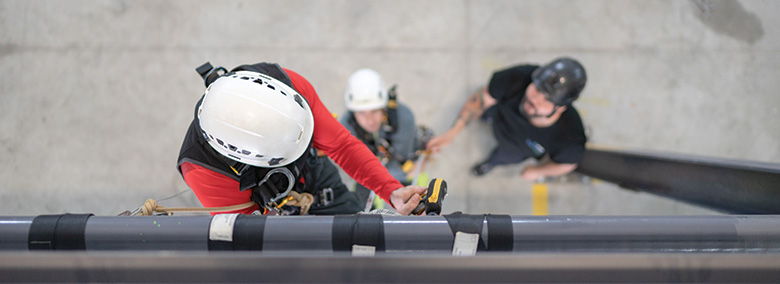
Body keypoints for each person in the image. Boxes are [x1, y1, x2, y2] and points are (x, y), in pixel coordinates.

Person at [176, 62, 426, 216]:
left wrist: (392, 190)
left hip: (315, 174)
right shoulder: (204, 171)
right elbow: (251, 239)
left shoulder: (286, 84)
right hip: (265, 204)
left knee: (359, 241)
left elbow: (341, 145)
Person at [427, 57, 587, 180]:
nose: (535, 99)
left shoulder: (570, 138)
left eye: (547, 99)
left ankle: (489, 164)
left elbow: (567, 164)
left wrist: (537, 171)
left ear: (561, 108)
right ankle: (488, 120)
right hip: (499, 116)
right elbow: (482, 98)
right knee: (485, 113)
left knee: (499, 157)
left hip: (513, 149)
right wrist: (454, 131)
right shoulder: (520, 77)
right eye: (537, 88)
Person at [338, 69, 431, 208]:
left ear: (384, 107)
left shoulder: (403, 117)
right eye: (362, 113)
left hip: (402, 173)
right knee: (359, 213)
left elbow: (398, 165)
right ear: (353, 112)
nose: (369, 120)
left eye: (374, 111)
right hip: (368, 176)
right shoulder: (345, 125)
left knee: (409, 214)